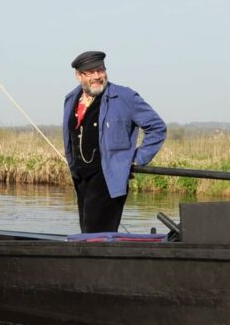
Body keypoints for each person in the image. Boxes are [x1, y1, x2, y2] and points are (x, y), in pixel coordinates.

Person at [62, 51, 167, 233]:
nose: (97, 76)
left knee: (95, 236)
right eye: (90, 72)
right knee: (87, 232)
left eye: (100, 70)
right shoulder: (71, 98)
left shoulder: (125, 97)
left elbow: (157, 127)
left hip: (109, 180)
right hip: (81, 180)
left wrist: (136, 158)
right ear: (79, 75)